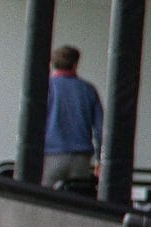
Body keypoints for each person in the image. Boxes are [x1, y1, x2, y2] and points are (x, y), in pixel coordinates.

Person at [42, 45, 104, 191]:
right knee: (76, 204)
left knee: (44, 204)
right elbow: (101, 130)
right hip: (81, 160)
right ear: (76, 64)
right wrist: (100, 161)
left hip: (50, 157)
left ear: (52, 64)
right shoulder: (88, 90)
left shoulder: (45, 87)